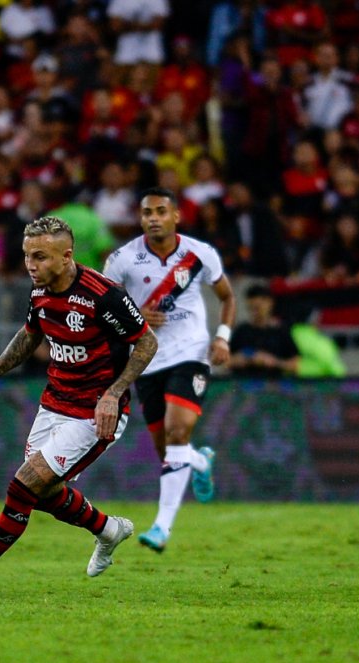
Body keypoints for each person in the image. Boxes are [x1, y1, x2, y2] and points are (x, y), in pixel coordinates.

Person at [0, 216, 158, 595]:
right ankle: (109, 529)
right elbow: (29, 336)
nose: (31, 264)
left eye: (40, 256)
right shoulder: (40, 291)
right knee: (40, 493)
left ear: (67, 256)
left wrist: (113, 394)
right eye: (27, 255)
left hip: (96, 411)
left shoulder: (103, 295)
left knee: (23, 486)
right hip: (54, 402)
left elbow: (147, 343)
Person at [103, 187, 236, 553]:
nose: (154, 218)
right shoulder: (122, 259)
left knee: (178, 431)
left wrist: (222, 338)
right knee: (169, 452)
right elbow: (104, 311)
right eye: (147, 213)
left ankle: (161, 528)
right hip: (146, 360)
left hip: (191, 353)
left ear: (176, 216)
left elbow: (227, 297)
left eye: (161, 211)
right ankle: (199, 460)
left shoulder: (200, 254)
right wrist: (134, 316)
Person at [228, 284, 300, 377]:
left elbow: (295, 365)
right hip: (243, 385)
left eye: (258, 307)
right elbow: (225, 362)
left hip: (273, 385)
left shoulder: (281, 331)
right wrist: (240, 360)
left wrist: (273, 362)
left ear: (269, 303)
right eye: (251, 308)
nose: (254, 312)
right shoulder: (242, 331)